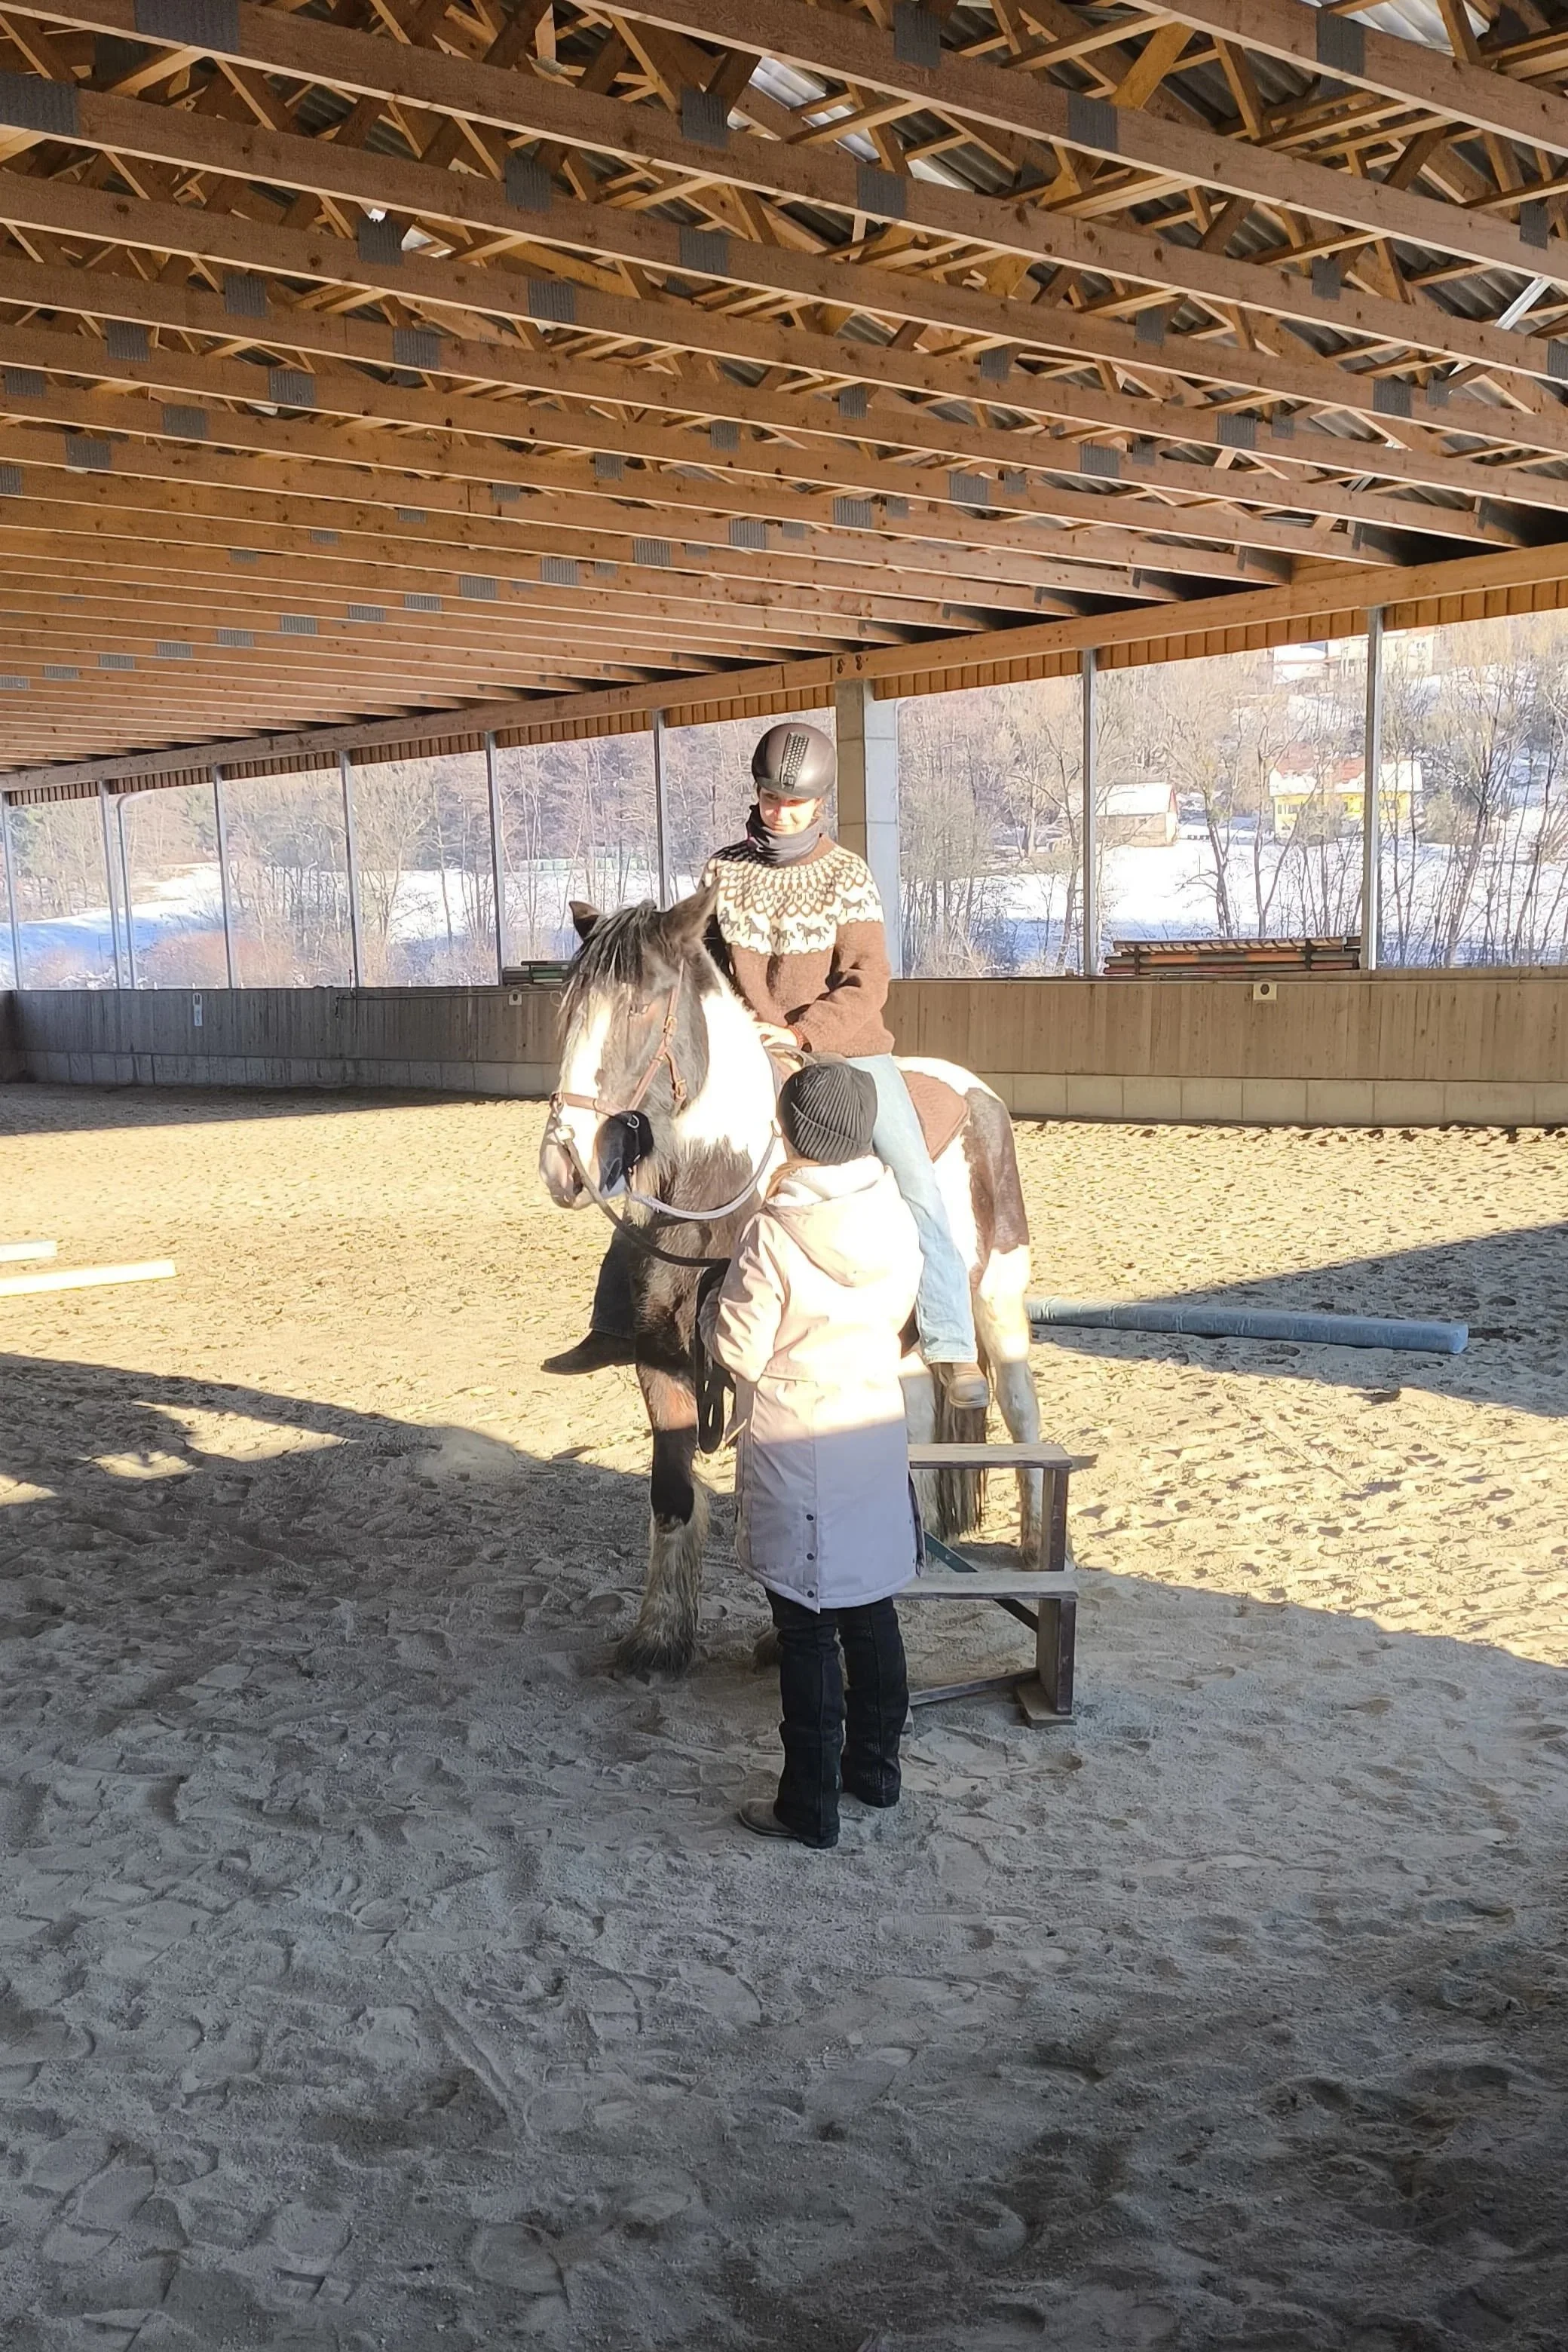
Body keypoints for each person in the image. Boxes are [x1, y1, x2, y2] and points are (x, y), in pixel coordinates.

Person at [544, 720, 987, 1407]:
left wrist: (801, 1036)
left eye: (794, 801)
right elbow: (702, 969)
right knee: (645, 1164)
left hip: (844, 1051)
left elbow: (868, 982)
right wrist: (742, 1033)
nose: (780, 810)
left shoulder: (847, 875)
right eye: (769, 797)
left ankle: (951, 1341)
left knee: (916, 1177)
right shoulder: (724, 871)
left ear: (819, 803)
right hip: (744, 1046)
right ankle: (613, 1323)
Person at [708, 1061, 922, 1849]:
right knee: (870, 1610)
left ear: (792, 1134)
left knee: (805, 1629)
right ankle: (876, 1770)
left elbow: (740, 1347)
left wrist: (709, 1314)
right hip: (870, 1422)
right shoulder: (896, 1212)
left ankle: (809, 1802)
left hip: (799, 1435)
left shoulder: (771, 1230)